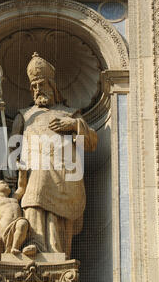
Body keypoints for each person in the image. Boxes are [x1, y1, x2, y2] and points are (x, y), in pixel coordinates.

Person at [9, 52, 97, 259]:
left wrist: (75, 125)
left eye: (41, 84)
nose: (38, 90)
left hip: (65, 173)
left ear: (53, 86)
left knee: (47, 192)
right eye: (34, 86)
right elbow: (13, 146)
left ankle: (56, 251)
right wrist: (13, 162)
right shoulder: (25, 115)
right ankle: (35, 242)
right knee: (36, 185)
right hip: (33, 170)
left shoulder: (70, 113)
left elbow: (91, 142)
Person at [0, 178, 29, 259]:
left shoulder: (14, 198)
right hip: (4, 229)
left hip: (17, 224)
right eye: (2, 183)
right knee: (2, 258)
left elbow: (21, 187)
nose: (6, 184)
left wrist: (22, 169)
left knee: (22, 223)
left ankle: (15, 248)